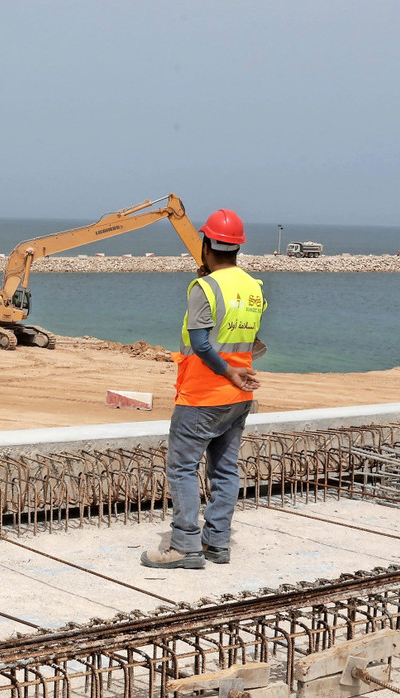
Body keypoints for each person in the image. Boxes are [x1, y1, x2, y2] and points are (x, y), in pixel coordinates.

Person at [141, 208, 267, 570]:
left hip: (202, 394)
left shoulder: (205, 288)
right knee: (225, 470)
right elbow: (249, 339)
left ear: (207, 245)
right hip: (239, 396)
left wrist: (226, 371)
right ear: (238, 248)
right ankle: (217, 543)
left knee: (182, 468)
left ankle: (184, 546)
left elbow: (200, 344)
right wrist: (236, 373)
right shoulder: (254, 288)